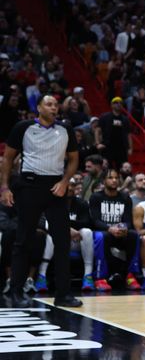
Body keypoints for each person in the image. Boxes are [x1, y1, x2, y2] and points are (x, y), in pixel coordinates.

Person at [0, 95, 82, 307]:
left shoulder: (66, 129)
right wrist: (5, 187)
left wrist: (65, 181)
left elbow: (74, 159)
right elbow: (8, 158)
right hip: (29, 186)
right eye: (49, 104)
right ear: (38, 107)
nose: (54, 107)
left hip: (56, 187)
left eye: (56, 104)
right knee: (23, 240)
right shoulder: (23, 127)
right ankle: (16, 291)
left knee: (63, 241)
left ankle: (63, 294)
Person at [89, 169, 141, 290]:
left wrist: (123, 227)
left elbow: (128, 221)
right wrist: (109, 228)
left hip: (119, 232)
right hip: (103, 231)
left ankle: (130, 275)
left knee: (134, 235)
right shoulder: (96, 197)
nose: (114, 180)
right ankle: (100, 278)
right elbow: (95, 221)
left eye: (116, 178)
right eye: (110, 178)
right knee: (101, 236)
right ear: (104, 180)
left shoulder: (125, 197)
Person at [97, 96, 133, 169]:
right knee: (106, 168)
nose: (118, 104)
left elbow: (128, 135)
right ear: (112, 105)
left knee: (122, 168)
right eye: (116, 103)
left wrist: (130, 148)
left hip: (121, 148)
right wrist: (98, 143)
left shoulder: (125, 119)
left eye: (120, 103)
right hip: (107, 147)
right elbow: (97, 131)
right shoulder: (104, 117)